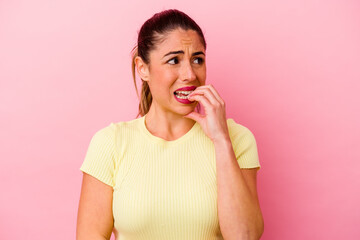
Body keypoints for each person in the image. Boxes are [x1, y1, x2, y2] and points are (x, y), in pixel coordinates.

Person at [76, 9, 264, 240]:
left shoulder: (237, 139)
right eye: (174, 60)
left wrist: (221, 141)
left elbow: (244, 236)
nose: (189, 74)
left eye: (198, 60)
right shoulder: (110, 143)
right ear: (143, 68)